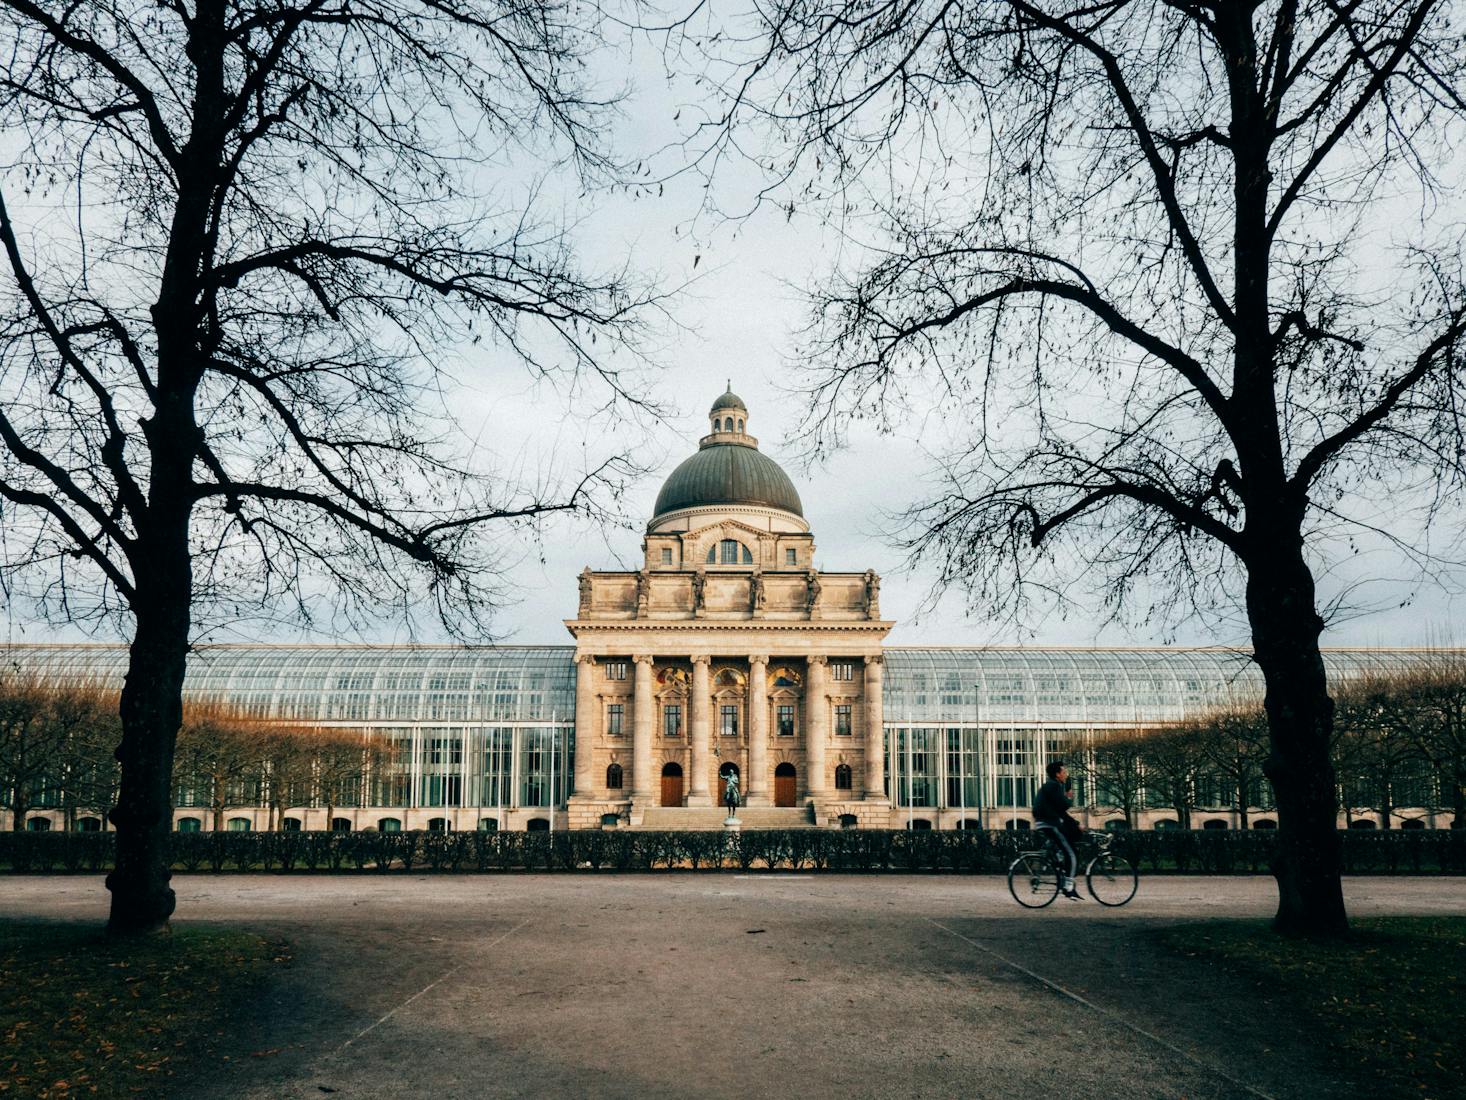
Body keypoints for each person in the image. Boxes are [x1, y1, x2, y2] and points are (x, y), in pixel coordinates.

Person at [1033, 760, 1085, 899]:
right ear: (1057, 774)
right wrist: (1068, 797)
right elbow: (1063, 806)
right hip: (1050, 823)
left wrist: (1074, 823)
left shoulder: (1051, 786)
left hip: (1047, 822)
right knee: (1072, 854)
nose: (1065, 774)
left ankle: (1060, 859)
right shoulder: (1054, 786)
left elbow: (1060, 811)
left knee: (1070, 838)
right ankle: (1068, 886)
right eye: (1063, 772)